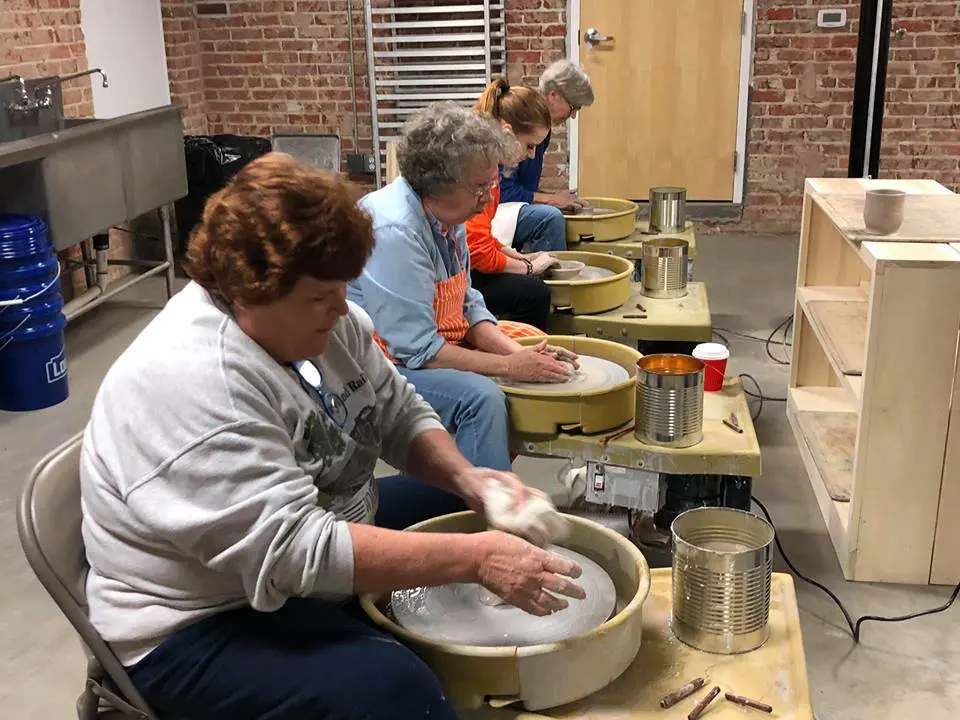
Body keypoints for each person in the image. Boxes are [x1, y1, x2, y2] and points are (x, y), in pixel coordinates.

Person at [79, 153, 585, 720]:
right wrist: (475, 559)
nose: (342, 310)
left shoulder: (323, 318)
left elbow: (396, 410)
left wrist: (471, 480)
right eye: (321, 298)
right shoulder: (194, 381)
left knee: (468, 502)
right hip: (196, 620)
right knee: (400, 693)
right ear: (249, 289)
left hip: (309, 529)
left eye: (343, 289)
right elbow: (297, 551)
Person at [348, 102, 578, 475]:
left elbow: (468, 301)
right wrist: (508, 366)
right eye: (478, 189)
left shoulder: (448, 211)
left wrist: (517, 353)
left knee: (528, 340)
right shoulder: (395, 231)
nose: (488, 199)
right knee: (482, 398)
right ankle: (478, 507)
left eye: (489, 185)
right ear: (437, 185)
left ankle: (480, 473)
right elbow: (418, 351)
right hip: (380, 362)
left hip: (431, 339)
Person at [466, 78, 561, 331]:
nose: (532, 155)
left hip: (459, 265)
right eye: (530, 146)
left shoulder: (493, 169)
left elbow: (480, 239)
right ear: (507, 131)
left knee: (531, 285)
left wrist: (519, 256)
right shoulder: (478, 171)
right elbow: (477, 252)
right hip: (441, 279)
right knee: (535, 293)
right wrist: (529, 268)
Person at [496, 59, 596, 251]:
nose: (573, 115)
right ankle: (550, 279)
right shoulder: (522, 122)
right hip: (490, 210)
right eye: (574, 107)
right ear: (554, 95)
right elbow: (502, 192)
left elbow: (522, 186)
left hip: (510, 206)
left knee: (560, 208)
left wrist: (555, 198)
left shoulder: (543, 129)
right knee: (551, 218)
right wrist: (551, 199)